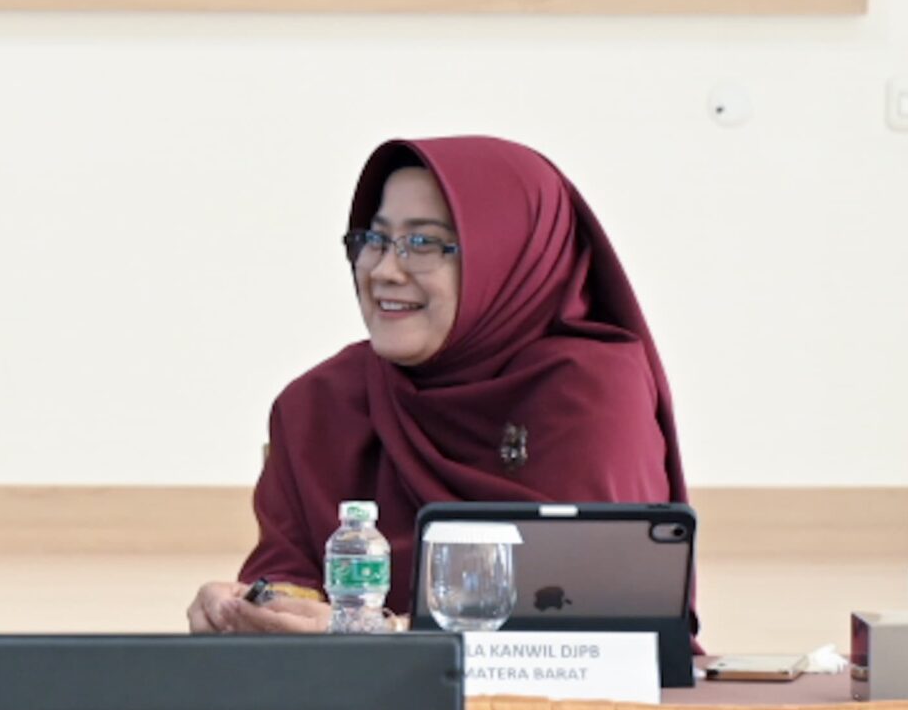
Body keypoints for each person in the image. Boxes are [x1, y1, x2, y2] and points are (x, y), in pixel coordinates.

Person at [189, 137, 685, 635]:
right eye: (374, 239)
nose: (384, 270)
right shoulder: (320, 404)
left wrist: (382, 636)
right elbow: (290, 579)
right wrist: (245, 611)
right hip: (355, 688)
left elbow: (603, 617)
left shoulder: (588, 391)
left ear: (507, 259)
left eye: (424, 243)